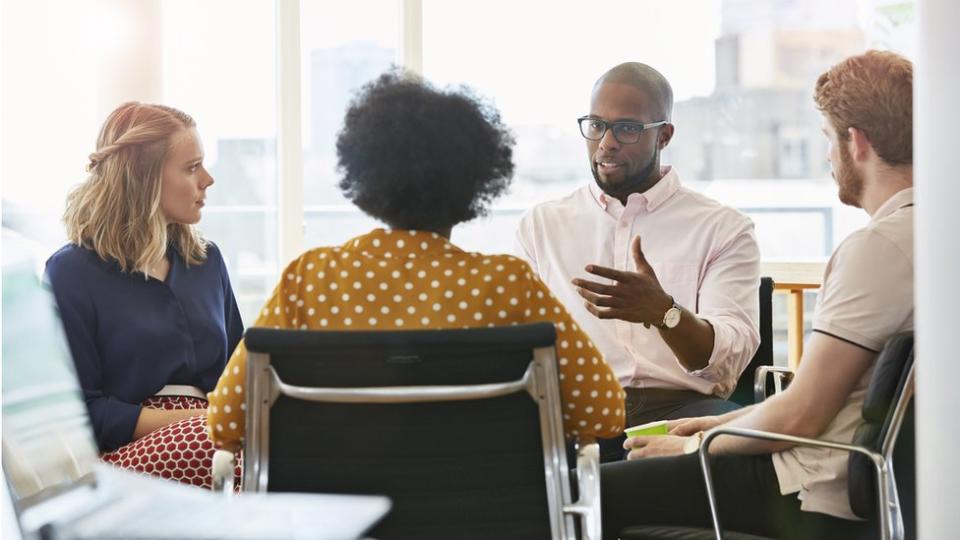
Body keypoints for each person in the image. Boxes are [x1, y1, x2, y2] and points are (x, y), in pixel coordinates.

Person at [208, 70, 626, 451]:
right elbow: (605, 412)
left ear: (366, 175)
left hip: (341, 519)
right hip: (483, 515)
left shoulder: (311, 279)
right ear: (474, 183)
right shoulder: (507, 285)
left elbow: (227, 419)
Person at [600, 50, 914, 539]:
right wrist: (706, 430)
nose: (826, 158)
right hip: (846, 476)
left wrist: (690, 448)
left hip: (806, 485)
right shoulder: (928, 235)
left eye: (827, 140)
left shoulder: (878, 248)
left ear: (856, 143)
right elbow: (811, 402)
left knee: (586, 496)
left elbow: (802, 413)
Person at [515, 62, 761, 459]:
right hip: (576, 413)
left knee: (735, 453)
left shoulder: (723, 228)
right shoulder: (542, 225)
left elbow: (725, 368)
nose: (606, 143)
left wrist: (664, 312)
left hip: (680, 410)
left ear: (664, 135)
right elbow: (520, 343)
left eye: (627, 128)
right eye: (595, 125)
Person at [45, 102, 243, 489]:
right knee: (214, 446)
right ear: (144, 178)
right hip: (126, 453)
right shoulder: (70, 272)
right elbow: (82, 412)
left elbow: (238, 375)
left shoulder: (208, 260)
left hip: (216, 440)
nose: (208, 179)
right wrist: (203, 422)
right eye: (191, 167)